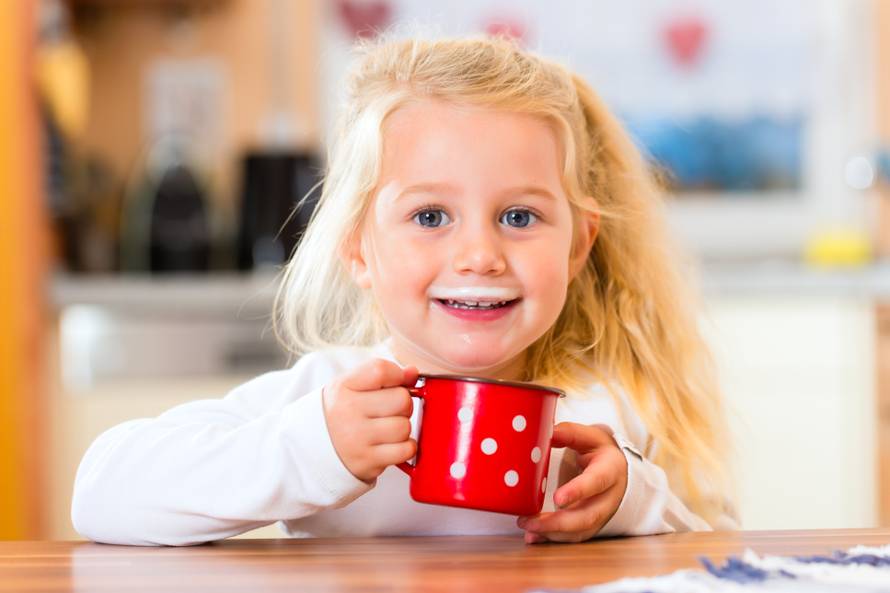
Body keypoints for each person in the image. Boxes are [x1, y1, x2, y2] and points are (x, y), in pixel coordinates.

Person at [71, 35, 737, 546]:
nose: (479, 256)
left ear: (577, 245)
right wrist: (310, 451)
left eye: (518, 216)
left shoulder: (601, 417)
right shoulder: (325, 399)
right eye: (430, 216)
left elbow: (714, 554)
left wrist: (627, 501)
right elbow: (101, 489)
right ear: (357, 247)